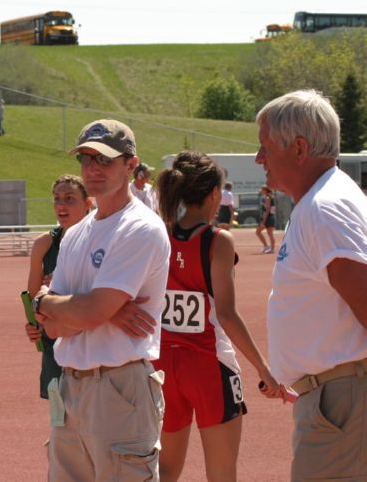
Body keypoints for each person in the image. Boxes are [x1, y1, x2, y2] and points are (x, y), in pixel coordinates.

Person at [34, 119, 170, 480]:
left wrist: (50, 301)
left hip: (119, 388)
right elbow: (52, 327)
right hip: (69, 385)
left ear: (130, 164)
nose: (93, 168)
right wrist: (62, 308)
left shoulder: (140, 228)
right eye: (86, 159)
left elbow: (89, 313)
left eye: (104, 160)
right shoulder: (76, 233)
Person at [255, 89, 367, 481]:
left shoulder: (324, 208)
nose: (259, 158)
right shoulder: (323, 201)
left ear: (299, 148)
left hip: (342, 400)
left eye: (265, 147)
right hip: (338, 397)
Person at [153, 151, 280, 482]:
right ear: (214, 195)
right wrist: (264, 368)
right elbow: (226, 313)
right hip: (209, 365)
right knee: (222, 474)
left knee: (164, 471)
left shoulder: (159, 234)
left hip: (164, 365)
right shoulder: (217, 241)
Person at [24, 174, 92, 399]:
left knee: (93, 412)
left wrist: (60, 287)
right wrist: (33, 325)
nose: (61, 205)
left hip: (91, 337)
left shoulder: (98, 241)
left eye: (70, 199)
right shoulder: (44, 244)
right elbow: (33, 299)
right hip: (54, 341)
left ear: (87, 204)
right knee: (60, 417)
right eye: (57, 199)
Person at [255, 185, 276, 253]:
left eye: (262, 189)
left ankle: (269, 247)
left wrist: (263, 221)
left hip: (268, 217)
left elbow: (268, 210)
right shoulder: (269, 197)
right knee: (268, 233)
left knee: (258, 232)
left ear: (265, 190)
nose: (261, 190)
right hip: (270, 216)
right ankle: (268, 247)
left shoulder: (267, 197)